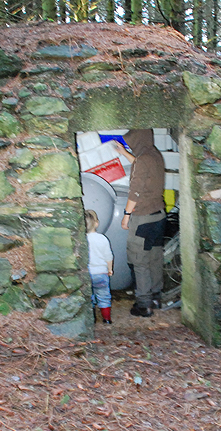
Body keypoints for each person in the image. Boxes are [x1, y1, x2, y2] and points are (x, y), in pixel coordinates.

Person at [112, 129, 166, 317]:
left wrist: (126, 215)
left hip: (142, 217)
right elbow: (142, 167)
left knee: (139, 261)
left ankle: (143, 305)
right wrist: (124, 153)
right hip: (159, 215)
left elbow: (135, 191)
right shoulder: (155, 155)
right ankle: (156, 297)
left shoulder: (143, 159)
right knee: (155, 256)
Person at [85, 210, 114, 325]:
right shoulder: (102, 239)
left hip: (87, 274)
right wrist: (110, 269)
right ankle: (107, 319)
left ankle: (92, 320)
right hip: (101, 273)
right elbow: (108, 256)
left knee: (89, 297)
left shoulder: (82, 240)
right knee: (104, 296)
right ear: (96, 224)